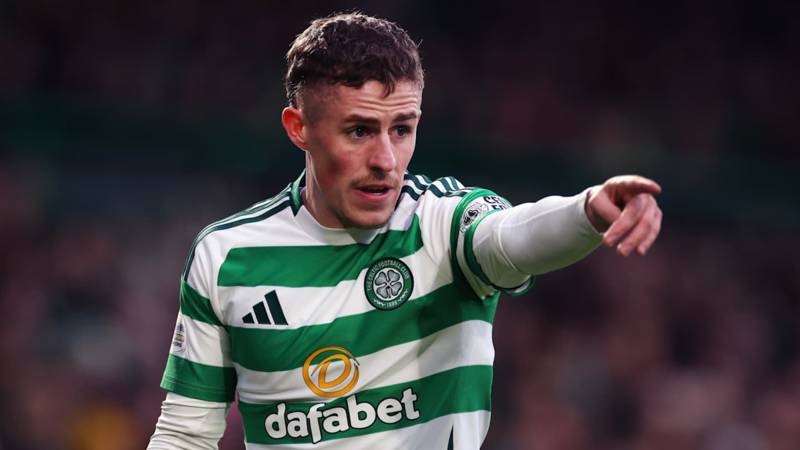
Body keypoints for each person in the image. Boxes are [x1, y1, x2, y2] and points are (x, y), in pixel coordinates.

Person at [147, 12, 662, 449]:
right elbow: (185, 435)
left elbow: (512, 238)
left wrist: (587, 210)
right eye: (359, 130)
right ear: (298, 128)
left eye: (402, 129)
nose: (386, 160)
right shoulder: (227, 255)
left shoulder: (443, 225)